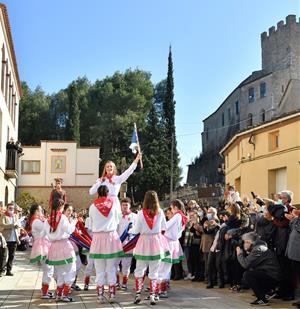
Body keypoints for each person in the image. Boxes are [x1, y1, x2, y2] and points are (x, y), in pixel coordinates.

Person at [131, 190, 168, 305]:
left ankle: (138, 293)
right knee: (154, 270)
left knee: (140, 268)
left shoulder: (141, 213)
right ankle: (152, 295)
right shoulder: (160, 212)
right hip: (156, 241)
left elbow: (136, 230)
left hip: (144, 241)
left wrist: (130, 230)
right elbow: (164, 227)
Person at [89, 185, 124, 304]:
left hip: (98, 238)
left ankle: (100, 296)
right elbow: (118, 220)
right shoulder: (114, 204)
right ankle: (112, 294)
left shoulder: (92, 206)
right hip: (110, 238)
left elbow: (91, 222)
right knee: (111, 268)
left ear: (97, 193)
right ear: (108, 193)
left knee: (99, 269)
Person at [45, 197, 77, 302]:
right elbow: (70, 230)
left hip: (53, 247)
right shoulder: (62, 217)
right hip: (64, 246)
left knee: (59, 272)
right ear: (61, 207)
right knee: (70, 270)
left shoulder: (48, 219)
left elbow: (46, 234)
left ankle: (59, 294)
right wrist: (74, 222)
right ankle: (65, 294)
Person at [236, 232, 281, 306]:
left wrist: (239, 254)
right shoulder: (259, 247)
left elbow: (245, 264)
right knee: (250, 274)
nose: (244, 244)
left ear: (249, 241)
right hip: (271, 275)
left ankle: (262, 299)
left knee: (248, 275)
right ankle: (267, 292)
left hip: (272, 277)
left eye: (245, 242)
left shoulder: (258, 249)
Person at [158, 199, 187, 298]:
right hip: (173, 242)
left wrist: (158, 225)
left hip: (168, 242)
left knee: (163, 266)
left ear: (175, 207)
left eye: (171, 208)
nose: (171, 210)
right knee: (166, 267)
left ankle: (160, 289)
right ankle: (163, 288)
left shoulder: (178, 216)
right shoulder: (182, 216)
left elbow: (166, 225)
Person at [27, 204, 54, 299]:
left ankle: (45, 290)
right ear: (36, 211)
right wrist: (50, 220)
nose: (42, 211)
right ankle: (44, 292)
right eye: (40, 210)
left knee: (49, 269)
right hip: (42, 246)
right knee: (48, 269)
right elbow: (47, 228)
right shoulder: (36, 221)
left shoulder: (37, 220)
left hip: (44, 245)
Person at [116, 197, 137, 290]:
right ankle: (116, 282)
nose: (124, 206)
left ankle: (124, 283)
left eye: (126, 205)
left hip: (128, 244)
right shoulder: (117, 216)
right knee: (115, 264)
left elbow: (136, 230)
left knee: (126, 265)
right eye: (123, 205)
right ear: (120, 206)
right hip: (117, 244)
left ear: (130, 205)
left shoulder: (134, 216)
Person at [63, 204, 82, 291]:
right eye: (68, 210)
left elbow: (76, 231)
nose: (70, 212)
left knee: (78, 265)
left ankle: (72, 283)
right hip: (65, 244)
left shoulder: (72, 220)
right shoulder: (62, 219)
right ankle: (65, 285)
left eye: (71, 211)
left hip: (74, 245)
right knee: (67, 267)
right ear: (64, 210)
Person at [0, 203, 20, 276]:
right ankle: (2, 270)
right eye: (10, 208)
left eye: (12, 208)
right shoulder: (3, 215)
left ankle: (9, 270)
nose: (11, 209)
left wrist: (18, 231)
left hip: (14, 238)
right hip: (5, 239)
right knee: (4, 255)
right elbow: (2, 225)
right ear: (7, 208)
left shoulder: (15, 216)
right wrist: (12, 225)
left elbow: (18, 225)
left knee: (12, 256)